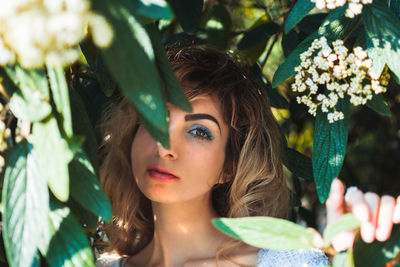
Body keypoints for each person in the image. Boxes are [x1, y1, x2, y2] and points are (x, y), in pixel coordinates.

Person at [96, 45, 400, 267]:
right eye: (154, 120)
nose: (164, 146)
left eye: (199, 131)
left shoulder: (288, 264)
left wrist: (363, 256)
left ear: (229, 166)